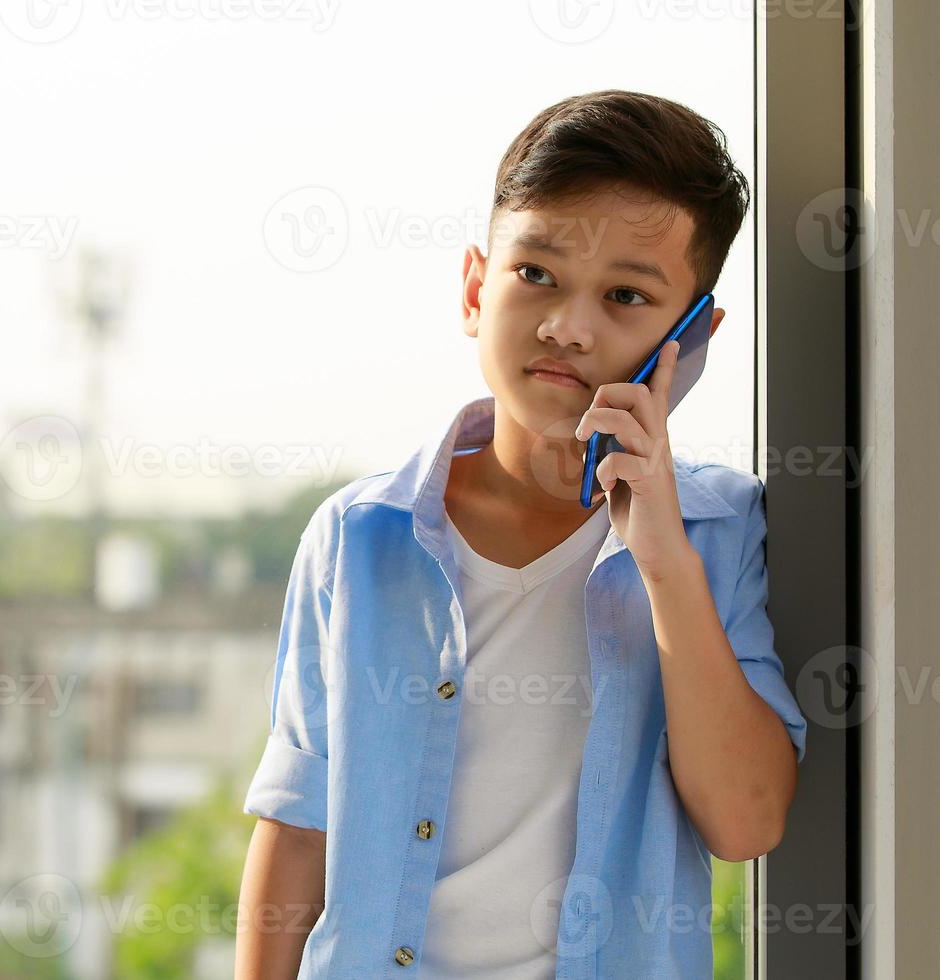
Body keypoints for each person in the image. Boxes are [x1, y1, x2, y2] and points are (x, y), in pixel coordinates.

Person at [234, 89, 808, 980]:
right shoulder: (359, 537)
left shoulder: (720, 534)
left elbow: (746, 822)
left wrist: (663, 564)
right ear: (475, 287)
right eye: (535, 274)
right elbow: (298, 823)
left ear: (689, 343)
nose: (567, 328)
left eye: (625, 296)